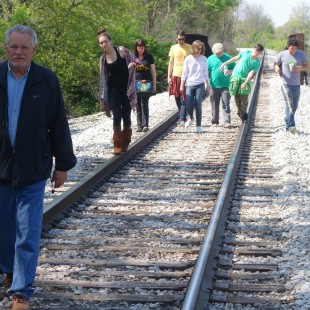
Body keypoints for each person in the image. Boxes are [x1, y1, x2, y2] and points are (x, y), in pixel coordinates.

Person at [0, 25, 76, 310]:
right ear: (6, 48)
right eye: (13, 47)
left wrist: (63, 164)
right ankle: (10, 270)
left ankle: (21, 291)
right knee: (4, 230)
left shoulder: (47, 80)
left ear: (33, 50)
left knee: (28, 232)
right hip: (1, 169)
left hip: (33, 169)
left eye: (24, 48)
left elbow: (58, 124)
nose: (18, 52)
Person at [98, 29, 141, 154]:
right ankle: (117, 143)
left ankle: (126, 140)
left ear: (110, 41)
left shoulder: (121, 50)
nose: (104, 44)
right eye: (101, 43)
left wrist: (132, 63)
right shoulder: (103, 59)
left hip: (127, 88)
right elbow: (104, 78)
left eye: (105, 41)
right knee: (117, 113)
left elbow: (137, 61)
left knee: (126, 113)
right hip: (113, 89)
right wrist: (103, 96)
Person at [220, 44, 264, 122]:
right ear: (253, 49)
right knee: (237, 98)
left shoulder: (257, 62)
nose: (256, 53)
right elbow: (235, 58)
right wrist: (224, 63)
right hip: (235, 77)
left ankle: (243, 115)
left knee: (244, 98)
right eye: (256, 50)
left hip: (244, 79)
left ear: (260, 53)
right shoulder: (246, 52)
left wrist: (245, 82)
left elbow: (251, 73)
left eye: (259, 52)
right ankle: (240, 112)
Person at [274, 38, 309, 133]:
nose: (293, 51)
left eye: (295, 49)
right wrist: (277, 68)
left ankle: (287, 119)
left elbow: (307, 66)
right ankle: (291, 126)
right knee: (289, 104)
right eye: (291, 49)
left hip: (296, 84)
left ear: (297, 48)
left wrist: (299, 68)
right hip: (285, 83)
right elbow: (276, 64)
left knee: (295, 105)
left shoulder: (301, 54)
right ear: (288, 47)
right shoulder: (282, 54)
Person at [180, 40, 210, 133]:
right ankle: (191, 118)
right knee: (188, 104)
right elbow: (184, 73)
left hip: (200, 84)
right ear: (193, 48)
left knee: (198, 104)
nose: (199, 51)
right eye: (197, 49)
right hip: (189, 84)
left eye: (200, 49)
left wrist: (207, 85)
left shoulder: (204, 59)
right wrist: (182, 85)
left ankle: (199, 125)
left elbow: (205, 72)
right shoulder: (188, 59)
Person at [208, 43, 235, 128]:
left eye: (219, 52)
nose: (217, 54)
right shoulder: (210, 59)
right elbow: (206, 71)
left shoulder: (228, 58)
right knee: (214, 104)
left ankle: (227, 121)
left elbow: (235, 70)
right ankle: (215, 121)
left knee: (226, 103)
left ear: (222, 50)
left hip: (225, 85)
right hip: (213, 85)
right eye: (216, 52)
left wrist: (229, 72)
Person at [167, 30, 191, 126]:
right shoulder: (173, 48)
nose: (181, 41)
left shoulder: (189, 48)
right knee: (177, 97)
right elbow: (171, 62)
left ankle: (181, 119)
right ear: (176, 39)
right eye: (179, 39)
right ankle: (183, 116)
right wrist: (168, 76)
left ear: (185, 39)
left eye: (183, 39)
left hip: (186, 77)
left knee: (183, 98)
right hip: (175, 75)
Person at [134, 39, 156, 133]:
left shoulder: (149, 57)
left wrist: (154, 84)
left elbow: (153, 71)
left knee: (144, 103)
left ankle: (145, 124)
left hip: (146, 83)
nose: (141, 49)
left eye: (142, 47)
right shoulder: (133, 57)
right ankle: (139, 125)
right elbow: (130, 71)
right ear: (136, 47)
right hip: (137, 83)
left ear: (145, 47)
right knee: (138, 104)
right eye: (139, 47)